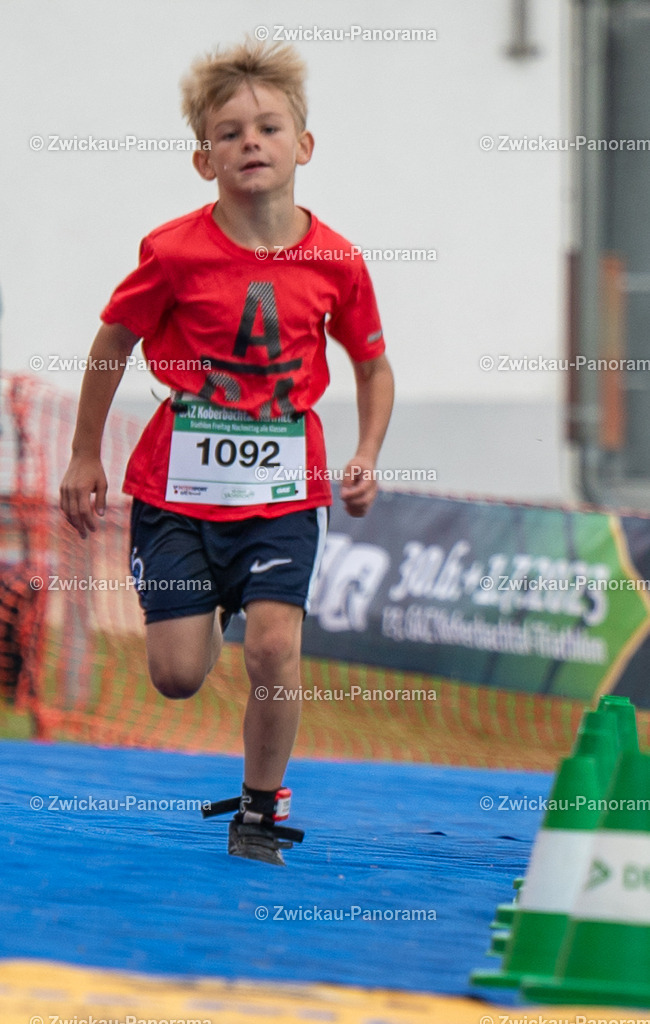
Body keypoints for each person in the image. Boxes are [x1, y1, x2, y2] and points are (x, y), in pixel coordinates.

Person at [59, 39, 394, 865]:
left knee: (276, 643)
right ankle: (204, 607)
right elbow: (111, 345)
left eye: (269, 128)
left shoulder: (337, 259)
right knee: (176, 675)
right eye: (231, 131)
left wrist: (367, 451)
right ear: (203, 158)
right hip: (178, 487)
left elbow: (373, 364)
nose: (252, 141)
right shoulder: (172, 252)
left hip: (284, 486)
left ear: (302, 147)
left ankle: (258, 807)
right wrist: (83, 455)